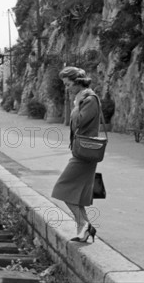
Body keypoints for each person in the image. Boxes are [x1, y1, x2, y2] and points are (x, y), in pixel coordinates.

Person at [51, 66, 101, 242]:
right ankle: (84, 228)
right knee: (76, 193)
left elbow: (80, 120)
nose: (67, 88)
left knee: (62, 189)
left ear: (77, 82)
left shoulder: (89, 99)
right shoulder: (83, 98)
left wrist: (76, 104)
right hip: (81, 151)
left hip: (85, 153)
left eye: (68, 84)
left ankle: (83, 224)